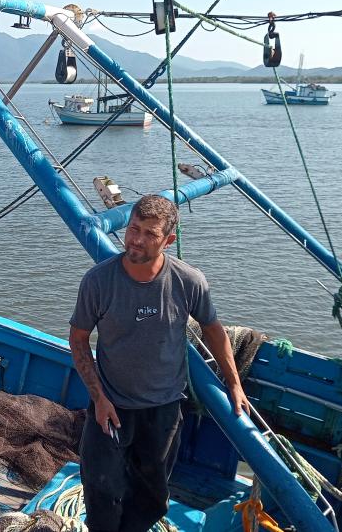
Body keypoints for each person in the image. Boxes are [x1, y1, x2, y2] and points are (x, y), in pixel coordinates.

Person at [68, 194, 250, 532]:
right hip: (110, 406)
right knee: (101, 489)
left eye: (150, 234)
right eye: (133, 229)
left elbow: (213, 330)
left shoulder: (188, 281)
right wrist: (99, 398)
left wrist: (234, 384)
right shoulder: (98, 281)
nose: (136, 239)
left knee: (153, 496)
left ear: (168, 240)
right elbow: (78, 339)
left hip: (163, 409)